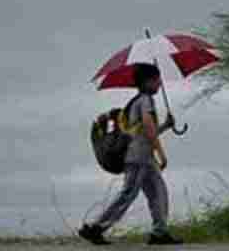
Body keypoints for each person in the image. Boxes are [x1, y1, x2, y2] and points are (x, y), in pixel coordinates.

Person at [79, 63, 184, 245]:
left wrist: (166, 125)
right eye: (157, 79)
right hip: (138, 158)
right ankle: (96, 227)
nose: (160, 83)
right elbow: (149, 129)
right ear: (148, 81)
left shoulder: (137, 102)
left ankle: (160, 232)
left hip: (144, 158)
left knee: (159, 192)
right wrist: (161, 153)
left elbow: (143, 132)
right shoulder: (146, 100)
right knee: (128, 194)